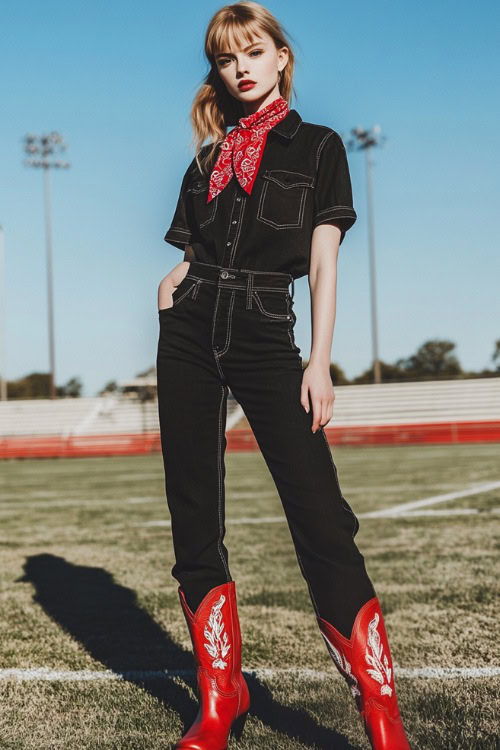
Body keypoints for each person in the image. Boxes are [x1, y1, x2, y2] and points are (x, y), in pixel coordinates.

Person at [156, 2, 411, 748]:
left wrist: (319, 358)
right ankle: (219, 697)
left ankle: (380, 711)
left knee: (322, 518)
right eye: (228, 56)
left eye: (254, 50)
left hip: (270, 332)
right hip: (191, 331)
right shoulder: (207, 157)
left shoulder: (320, 145)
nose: (241, 66)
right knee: (193, 513)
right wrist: (170, 288)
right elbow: (193, 253)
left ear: (281, 58)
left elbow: (324, 256)